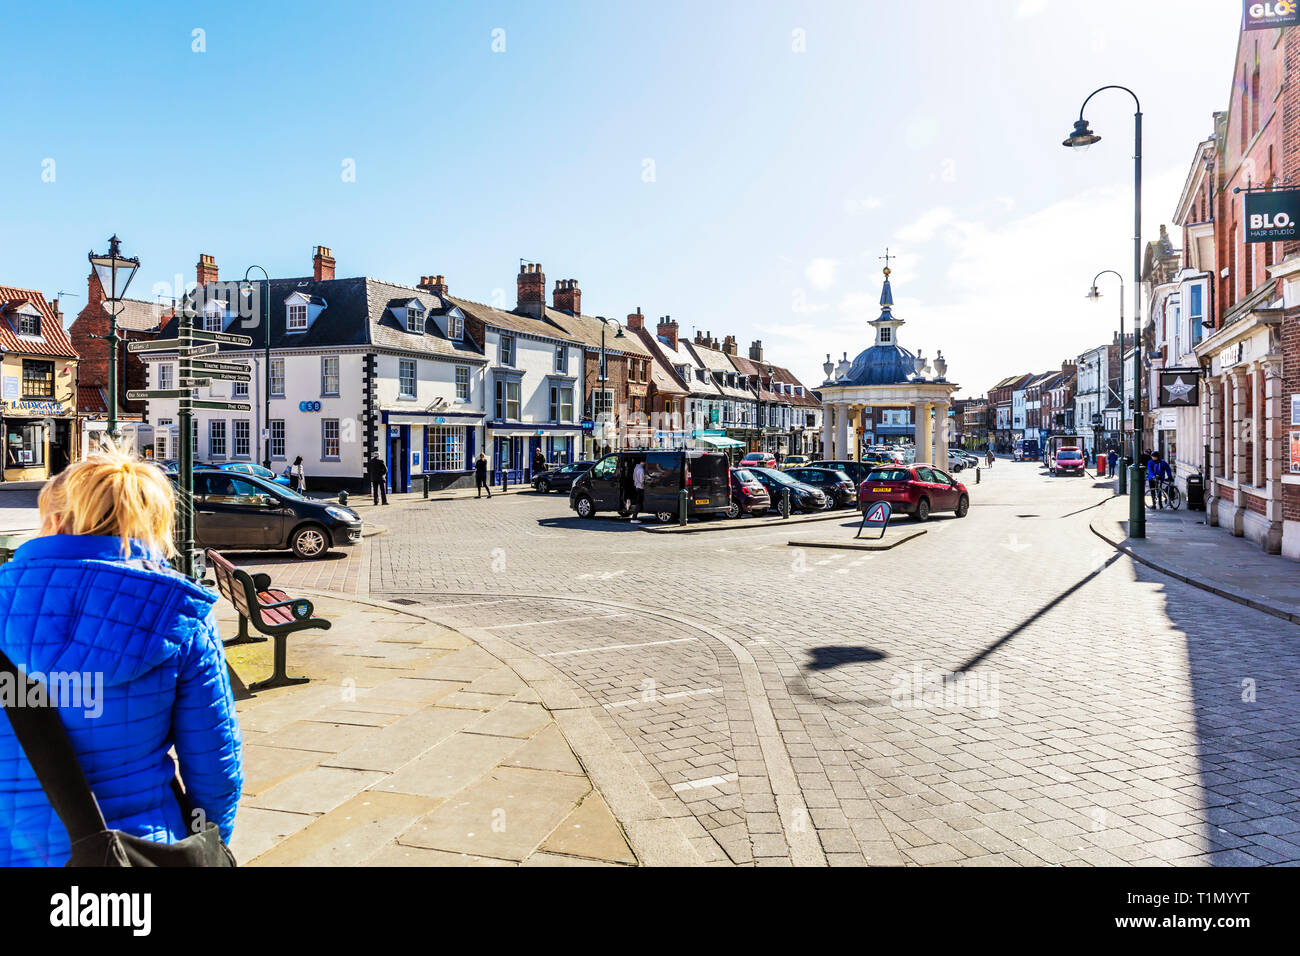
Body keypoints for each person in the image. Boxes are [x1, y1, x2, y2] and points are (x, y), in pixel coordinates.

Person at [0, 447, 243, 866]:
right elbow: (215, 766)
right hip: (136, 848)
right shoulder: (177, 613)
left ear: (53, 520)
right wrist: (206, 845)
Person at [629, 459, 646, 524]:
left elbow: (633, 478)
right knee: (639, 503)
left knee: (638, 502)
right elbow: (642, 480)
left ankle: (629, 502)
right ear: (643, 462)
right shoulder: (641, 469)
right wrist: (644, 486)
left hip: (636, 486)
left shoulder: (636, 468)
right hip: (640, 487)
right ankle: (634, 518)